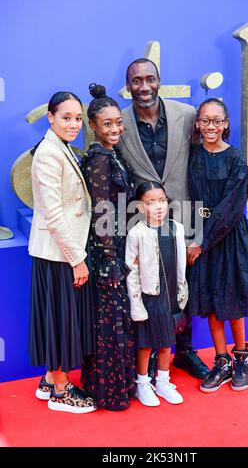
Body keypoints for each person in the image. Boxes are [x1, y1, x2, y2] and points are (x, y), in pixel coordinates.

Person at [117, 58, 209, 380]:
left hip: (182, 215)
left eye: (149, 79)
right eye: (136, 81)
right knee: (145, 288)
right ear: (127, 86)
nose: (144, 87)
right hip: (139, 221)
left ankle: (182, 352)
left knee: (181, 285)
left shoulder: (186, 115)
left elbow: (200, 164)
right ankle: (148, 358)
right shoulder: (118, 122)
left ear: (159, 80)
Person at [187, 97, 248, 392]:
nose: (210, 126)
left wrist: (203, 242)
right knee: (211, 303)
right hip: (200, 235)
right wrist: (194, 237)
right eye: (205, 120)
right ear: (198, 123)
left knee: (231, 303)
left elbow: (233, 205)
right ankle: (221, 362)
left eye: (217, 121)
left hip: (228, 237)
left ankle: (241, 357)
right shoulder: (193, 155)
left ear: (226, 124)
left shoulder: (235, 158)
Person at [28, 91, 96, 413]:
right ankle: (60, 389)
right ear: (50, 118)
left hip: (62, 251)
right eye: (66, 117)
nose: (73, 124)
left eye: (78, 118)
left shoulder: (60, 148)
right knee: (59, 320)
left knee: (57, 319)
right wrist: (78, 259)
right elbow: (54, 214)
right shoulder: (48, 153)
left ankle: (48, 379)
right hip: (58, 254)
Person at [80, 84, 135, 410]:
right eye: (107, 124)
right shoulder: (99, 159)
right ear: (93, 126)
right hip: (106, 252)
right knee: (109, 321)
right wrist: (109, 258)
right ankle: (108, 393)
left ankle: (117, 387)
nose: (114, 129)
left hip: (116, 246)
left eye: (118, 122)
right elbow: (101, 209)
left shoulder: (109, 153)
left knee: (116, 319)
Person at [126, 181, 188, 406]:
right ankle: (142, 383)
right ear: (141, 207)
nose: (158, 206)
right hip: (149, 298)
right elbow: (131, 271)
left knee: (166, 341)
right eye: (151, 203)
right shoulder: (136, 233)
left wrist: (182, 291)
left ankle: (163, 381)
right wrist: (136, 304)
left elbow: (181, 264)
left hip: (170, 294)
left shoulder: (177, 228)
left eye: (161, 200)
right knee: (146, 342)